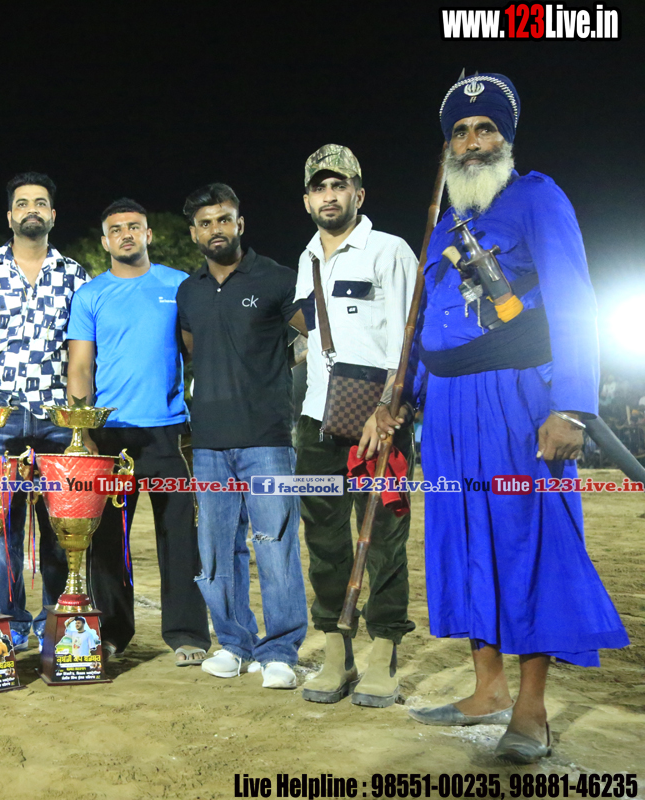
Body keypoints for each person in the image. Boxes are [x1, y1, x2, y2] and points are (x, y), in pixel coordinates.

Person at [378, 72, 628, 763]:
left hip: (517, 399)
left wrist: (570, 407)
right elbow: (429, 325)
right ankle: (486, 689)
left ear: (506, 138)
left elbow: (574, 299)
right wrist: (402, 398)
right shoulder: (440, 226)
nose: (472, 142)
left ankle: (531, 708)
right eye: (459, 132)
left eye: (484, 129)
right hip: (447, 410)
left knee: (529, 541)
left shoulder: (538, 198)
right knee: (461, 539)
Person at [286, 145, 419, 707]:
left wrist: (390, 410)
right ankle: (337, 650)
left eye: (339, 185)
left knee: (383, 536)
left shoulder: (390, 250)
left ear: (358, 194)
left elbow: (410, 341)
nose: (329, 195)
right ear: (307, 200)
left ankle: (384, 649)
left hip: (378, 422)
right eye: (319, 187)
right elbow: (309, 339)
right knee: (323, 538)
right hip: (317, 421)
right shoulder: (306, 259)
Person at [65, 198, 210, 666]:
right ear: (105, 241)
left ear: (148, 234)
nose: (125, 234)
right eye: (116, 229)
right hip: (110, 437)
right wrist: (84, 431)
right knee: (108, 540)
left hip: (170, 435)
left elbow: (198, 352)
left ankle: (187, 633)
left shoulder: (179, 284)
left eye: (134, 226)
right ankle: (111, 634)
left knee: (179, 537)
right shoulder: (90, 294)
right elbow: (80, 366)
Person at [175, 183, 308, 689]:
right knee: (216, 549)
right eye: (206, 223)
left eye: (224, 219)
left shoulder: (278, 278)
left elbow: (310, 339)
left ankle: (280, 651)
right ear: (194, 233)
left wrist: (270, 376)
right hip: (208, 441)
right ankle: (233, 643)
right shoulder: (189, 291)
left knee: (275, 545)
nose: (216, 229)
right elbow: (193, 348)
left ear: (240, 224)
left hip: (267, 438)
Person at [0, 172, 89, 651]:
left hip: (57, 417)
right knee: (2, 527)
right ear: (10, 215)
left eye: (41, 202)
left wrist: (82, 418)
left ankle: (57, 623)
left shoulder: (75, 275)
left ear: (53, 214)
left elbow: (82, 352)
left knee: (61, 525)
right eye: (23, 202)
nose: (33, 209)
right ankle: (10, 624)